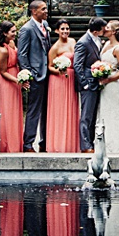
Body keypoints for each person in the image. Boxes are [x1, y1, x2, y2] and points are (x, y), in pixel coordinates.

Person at [17, 0, 51, 152]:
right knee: (33, 110)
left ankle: (43, 141)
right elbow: (22, 54)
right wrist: (29, 74)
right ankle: (28, 143)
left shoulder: (45, 26)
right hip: (36, 76)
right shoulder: (27, 29)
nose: (46, 11)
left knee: (46, 110)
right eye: (43, 9)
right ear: (34, 11)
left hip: (47, 75)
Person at [96, 19, 119, 156]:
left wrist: (109, 79)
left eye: (108, 27)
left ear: (114, 32)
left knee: (114, 110)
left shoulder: (118, 49)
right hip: (103, 83)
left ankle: (116, 144)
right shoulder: (105, 44)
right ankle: (103, 141)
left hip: (112, 83)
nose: (105, 29)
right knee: (104, 111)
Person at [74, 17, 108, 153]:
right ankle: (85, 145)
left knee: (93, 115)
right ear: (96, 31)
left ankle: (92, 143)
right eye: (103, 29)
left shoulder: (97, 40)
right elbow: (77, 65)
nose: (105, 31)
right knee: (86, 115)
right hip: (88, 83)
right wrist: (84, 83)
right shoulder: (83, 42)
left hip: (96, 82)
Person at [46, 19, 79, 153]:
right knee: (60, 110)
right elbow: (49, 67)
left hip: (71, 78)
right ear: (57, 31)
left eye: (67, 28)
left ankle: (71, 143)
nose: (65, 31)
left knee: (71, 108)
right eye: (62, 29)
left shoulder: (73, 42)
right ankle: (58, 144)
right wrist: (59, 70)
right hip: (59, 80)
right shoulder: (55, 48)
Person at [0, 20, 25, 154]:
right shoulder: (2, 50)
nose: (15, 33)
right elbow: (2, 72)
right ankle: (7, 144)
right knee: (8, 110)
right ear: (5, 33)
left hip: (15, 76)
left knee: (16, 110)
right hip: (7, 81)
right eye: (12, 31)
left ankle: (17, 143)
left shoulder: (12, 43)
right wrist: (18, 80)